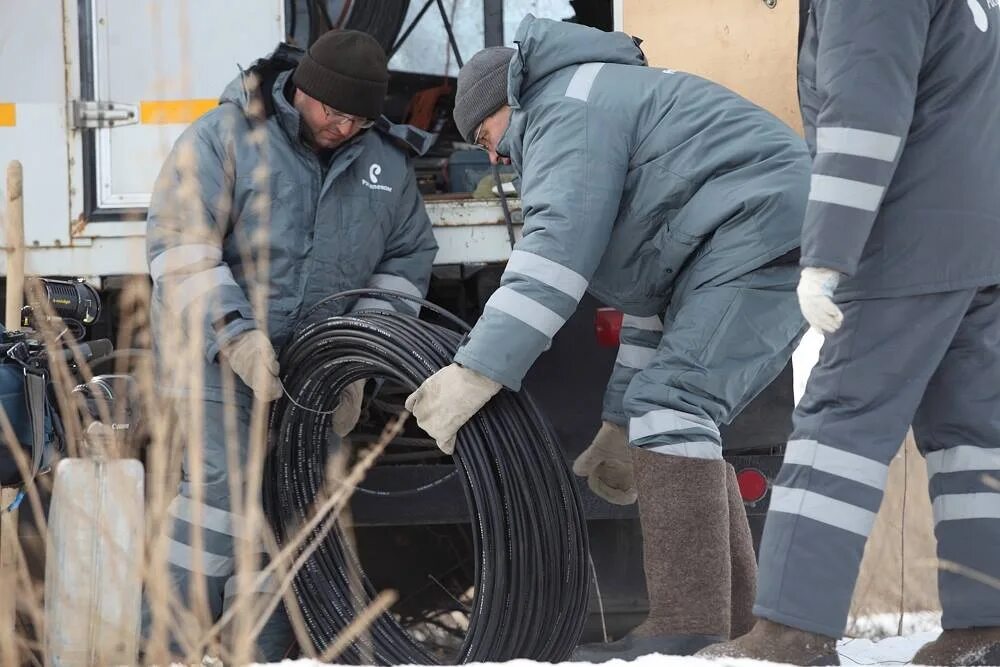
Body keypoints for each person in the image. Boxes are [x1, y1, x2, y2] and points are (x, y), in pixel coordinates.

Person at [405, 14, 810, 659]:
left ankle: (688, 624)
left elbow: (552, 258)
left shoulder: (566, 108)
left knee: (675, 408)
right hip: (751, 231)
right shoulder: (595, 97)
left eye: (485, 134)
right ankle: (728, 631)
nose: (492, 156)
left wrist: (474, 372)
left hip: (759, 228)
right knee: (671, 410)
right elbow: (650, 300)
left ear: (507, 102)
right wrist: (620, 423)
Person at [699, 1, 1000, 665]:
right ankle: (987, 626)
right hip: (977, 245)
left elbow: (863, 120)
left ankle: (790, 631)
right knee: (972, 438)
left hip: (904, 242)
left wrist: (828, 254)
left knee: (838, 427)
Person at [144, 29, 437, 660]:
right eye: (333, 111)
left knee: (292, 510)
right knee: (221, 500)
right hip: (215, 365)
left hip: (313, 376)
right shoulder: (225, 137)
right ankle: (165, 649)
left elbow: (406, 257)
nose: (343, 127)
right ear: (302, 90)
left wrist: (359, 354)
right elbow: (180, 245)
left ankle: (263, 655)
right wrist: (238, 338)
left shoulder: (384, 162)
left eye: (358, 118)